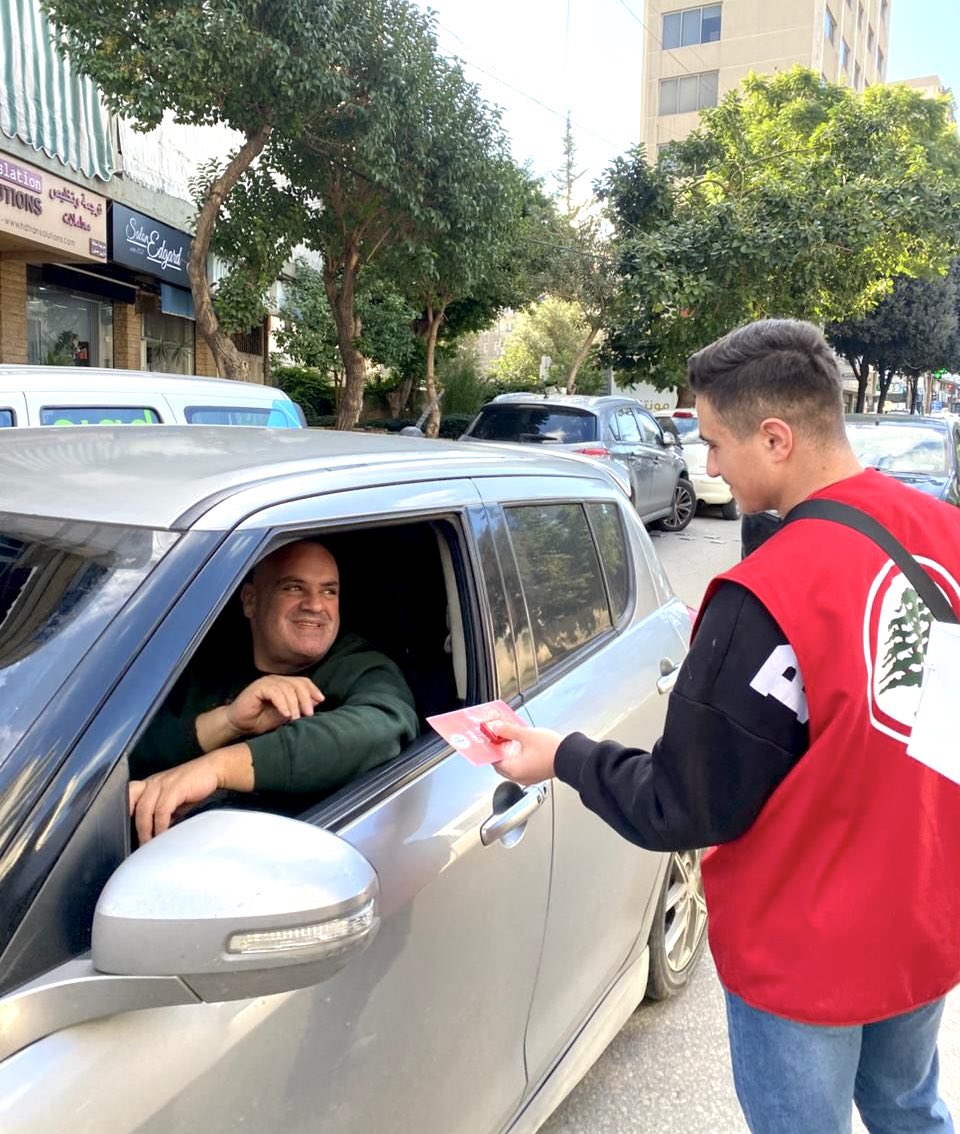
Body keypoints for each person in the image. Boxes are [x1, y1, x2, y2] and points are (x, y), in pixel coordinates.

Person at [489, 318, 960, 1134]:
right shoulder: (941, 538)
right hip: (924, 914)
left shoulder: (767, 593)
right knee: (909, 1108)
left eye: (713, 442)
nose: (706, 465)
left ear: (775, 438)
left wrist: (560, 755)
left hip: (805, 949)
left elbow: (684, 805)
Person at [129, 539, 419, 844]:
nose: (315, 605)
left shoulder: (362, 667)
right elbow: (127, 753)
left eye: (329, 591)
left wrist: (218, 768)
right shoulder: (199, 662)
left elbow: (384, 723)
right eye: (294, 588)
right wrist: (227, 722)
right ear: (250, 600)